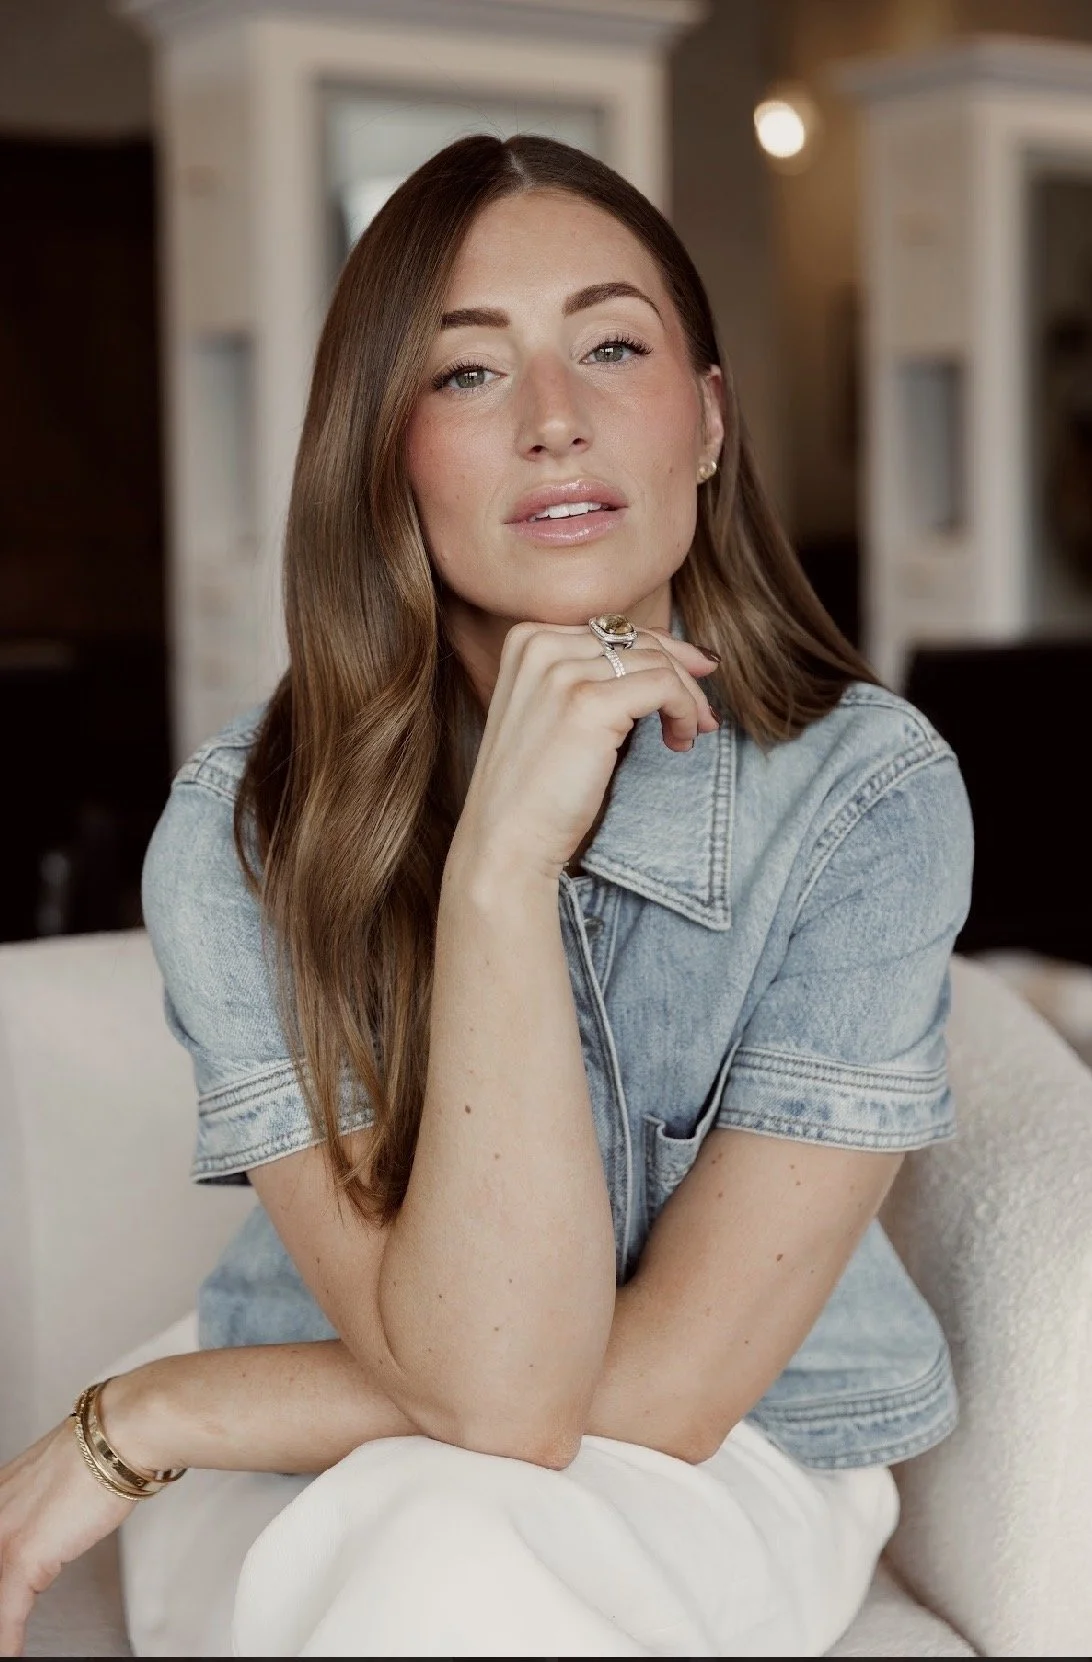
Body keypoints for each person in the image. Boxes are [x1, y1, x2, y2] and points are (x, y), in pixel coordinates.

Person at [0, 134, 973, 1658]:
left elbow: (630, 1389)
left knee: (446, 1557)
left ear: (707, 422)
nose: (555, 422)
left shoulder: (869, 795)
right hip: (334, 1378)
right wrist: (495, 864)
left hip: (729, 1439)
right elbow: (476, 1378)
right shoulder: (238, 828)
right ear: (384, 449)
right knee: (421, 1541)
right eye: (466, 375)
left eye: (611, 345)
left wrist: (161, 1407)